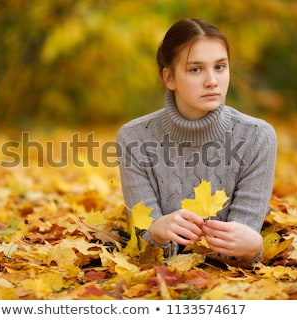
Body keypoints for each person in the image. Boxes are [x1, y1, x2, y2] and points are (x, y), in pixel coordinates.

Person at [116, 18, 277, 264]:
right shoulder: (134, 139)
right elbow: (143, 248)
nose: (212, 80)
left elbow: (239, 246)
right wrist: (156, 232)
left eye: (220, 67)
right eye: (195, 69)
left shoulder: (257, 137)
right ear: (169, 78)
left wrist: (253, 246)